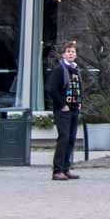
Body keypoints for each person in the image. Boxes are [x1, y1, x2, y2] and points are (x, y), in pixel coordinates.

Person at [44, 39, 82, 182]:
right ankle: (57, 170)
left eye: (73, 52)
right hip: (63, 110)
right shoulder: (59, 69)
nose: (71, 54)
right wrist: (62, 104)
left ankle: (66, 168)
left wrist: (79, 102)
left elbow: (78, 88)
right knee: (64, 138)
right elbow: (51, 89)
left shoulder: (76, 69)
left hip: (74, 108)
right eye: (68, 52)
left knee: (71, 139)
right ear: (63, 54)